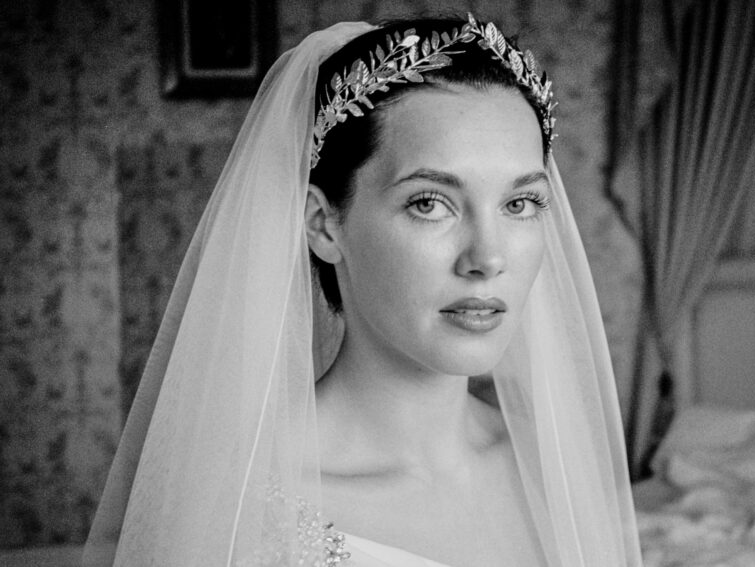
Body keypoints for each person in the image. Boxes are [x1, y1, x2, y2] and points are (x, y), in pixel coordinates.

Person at [84, 14, 642, 567]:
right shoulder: (234, 510)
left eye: (520, 204)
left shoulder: (553, 466)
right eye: (429, 203)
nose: (488, 259)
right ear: (324, 226)